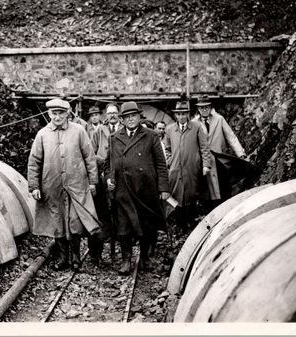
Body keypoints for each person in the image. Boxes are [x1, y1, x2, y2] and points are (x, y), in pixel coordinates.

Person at [28, 98, 100, 271]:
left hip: (76, 185)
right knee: (57, 221)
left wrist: (93, 182)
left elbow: (89, 158)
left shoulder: (78, 131)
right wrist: (34, 186)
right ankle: (62, 257)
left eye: (61, 113)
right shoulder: (43, 134)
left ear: (68, 113)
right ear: (49, 114)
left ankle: (75, 256)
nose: (57, 117)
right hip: (52, 187)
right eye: (54, 113)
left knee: (75, 222)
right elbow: (34, 161)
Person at [105, 101, 170, 274]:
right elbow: (108, 164)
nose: (131, 119)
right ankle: (126, 260)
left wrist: (163, 188)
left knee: (147, 225)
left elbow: (161, 164)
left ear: (139, 117)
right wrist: (109, 178)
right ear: (123, 120)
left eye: (133, 115)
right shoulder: (114, 138)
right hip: (123, 190)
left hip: (145, 189)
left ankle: (145, 258)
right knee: (123, 226)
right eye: (127, 117)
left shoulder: (151, 136)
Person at [192, 94, 246, 209]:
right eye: (201, 108)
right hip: (203, 161)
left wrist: (240, 153)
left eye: (206, 107)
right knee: (206, 191)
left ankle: (225, 210)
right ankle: (208, 214)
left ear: (210, 107)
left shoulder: (219, 119)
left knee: (223, 187)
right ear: (198, 109)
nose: (204, 110)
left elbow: (231, 137)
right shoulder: (194, 123)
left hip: (219, 158)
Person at [165, 101, 211, 231]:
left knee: (191, 195)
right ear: (176, 116)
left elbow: (204, 147)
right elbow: (167, 148)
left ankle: (192, 225)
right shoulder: (170, 129)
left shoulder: (196, 127)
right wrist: (170, 161)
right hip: (175, 170)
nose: (181, 117)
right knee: (176, 196)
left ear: (188, 114)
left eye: (184, 114)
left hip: (192, 169)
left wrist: (205, 165)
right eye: (178, 114)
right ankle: (180, 226)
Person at [88, 103, 120, 265]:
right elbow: (90, 154)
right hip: (101, 178)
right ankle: (97, 253)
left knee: (119, 213)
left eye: (115, 113)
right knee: (101, 214)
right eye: (109, 113)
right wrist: (100, 165)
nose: (112, 116)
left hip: (119, 177)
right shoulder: (99, 131)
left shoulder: (124, 130)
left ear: (119, 114)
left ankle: (119, 250)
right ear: (106, 115)